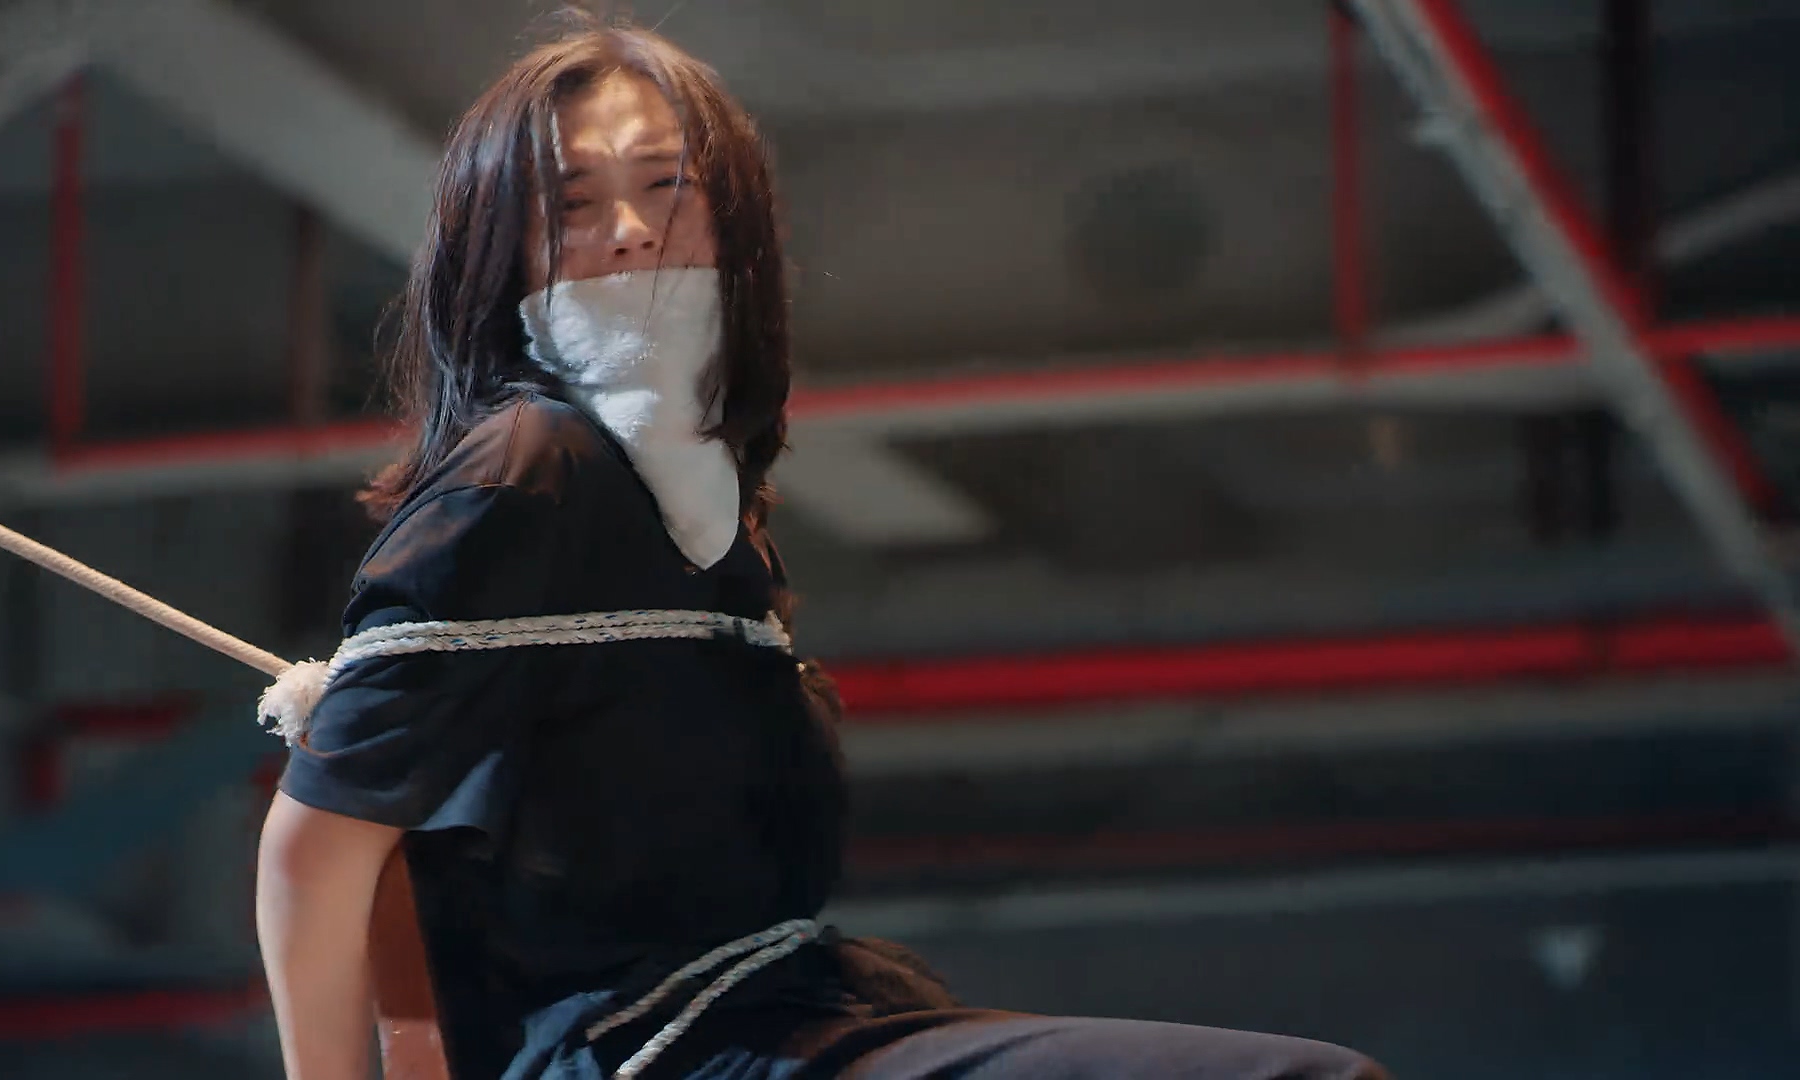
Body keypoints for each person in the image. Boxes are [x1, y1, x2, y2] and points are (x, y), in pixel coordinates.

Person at [253, 18, 1389, 1080]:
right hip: (657, 1047)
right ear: (502, 249)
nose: (632, 229)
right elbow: (314, 849)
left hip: (777, 1017)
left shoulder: (704, 510)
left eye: (666, 185)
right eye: (574, 203)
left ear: (734, 220)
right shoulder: (531, 467)